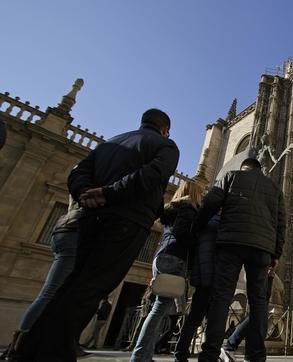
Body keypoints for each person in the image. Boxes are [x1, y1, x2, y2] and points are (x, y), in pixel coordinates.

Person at [14, 108, 179, 361]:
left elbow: (77, 173)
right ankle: (49, 351)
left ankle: (31, 349)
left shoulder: (110, 143)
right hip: (126, 221)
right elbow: (153, 175)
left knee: (73, 285)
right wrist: (109, 193)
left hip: (90, 219)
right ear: (165, 129)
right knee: (91, 287)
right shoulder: (165, 146)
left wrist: (85, 192)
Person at [194, 157, 285, 362]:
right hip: (262, 249)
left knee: (222, 297)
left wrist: (197, 226)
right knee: (259, 302)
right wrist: (276, 254)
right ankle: (256, 355)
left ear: (243, 168)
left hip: (231, 242)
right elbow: (281, 223)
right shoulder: (273, 187)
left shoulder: (231, 177)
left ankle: (210, 353)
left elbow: (210, 203)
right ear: (259, 170)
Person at [0, 198, 85, 360]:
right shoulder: (89, 178)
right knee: (49, 293)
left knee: (55, 294)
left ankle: (24, 344)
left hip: (64, 230)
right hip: (73, 232)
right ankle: (18, 346)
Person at [131, 180, 202, 361]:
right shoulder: (188, 209)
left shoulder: (172, 210)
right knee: (159, 310)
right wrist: (198, 240)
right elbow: (182, 233)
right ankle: (139, 356)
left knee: (159, 309)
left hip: (162, 256)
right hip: (174, 258)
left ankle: (144, 354)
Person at [173, 214, 220, 362]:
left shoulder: (202, 224)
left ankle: (180, 352)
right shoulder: (219, 224)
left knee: (194, 318)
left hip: (200, 278)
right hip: (213, 278)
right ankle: (208, 352)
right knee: (212, 318)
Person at [223, 268, 276, 354]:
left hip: (265, 271)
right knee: (258, 311)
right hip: (261, 269)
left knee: (260, 310)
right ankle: (231, 345)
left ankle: (246, 349)